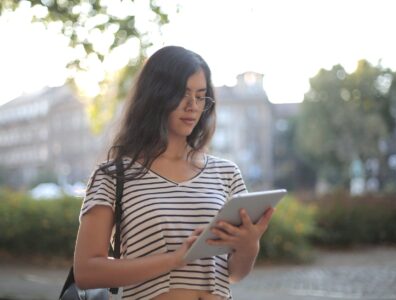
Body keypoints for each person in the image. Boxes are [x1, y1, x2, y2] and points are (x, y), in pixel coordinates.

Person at [74, 45, 275, 300]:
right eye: (182, 94)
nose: (192, 106)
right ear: (156, 96)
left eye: (200, 96)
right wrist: (174, 259)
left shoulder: (226, 173)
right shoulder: (113, 176)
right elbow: (87, 271)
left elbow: (234, 274)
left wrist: (249, 244)